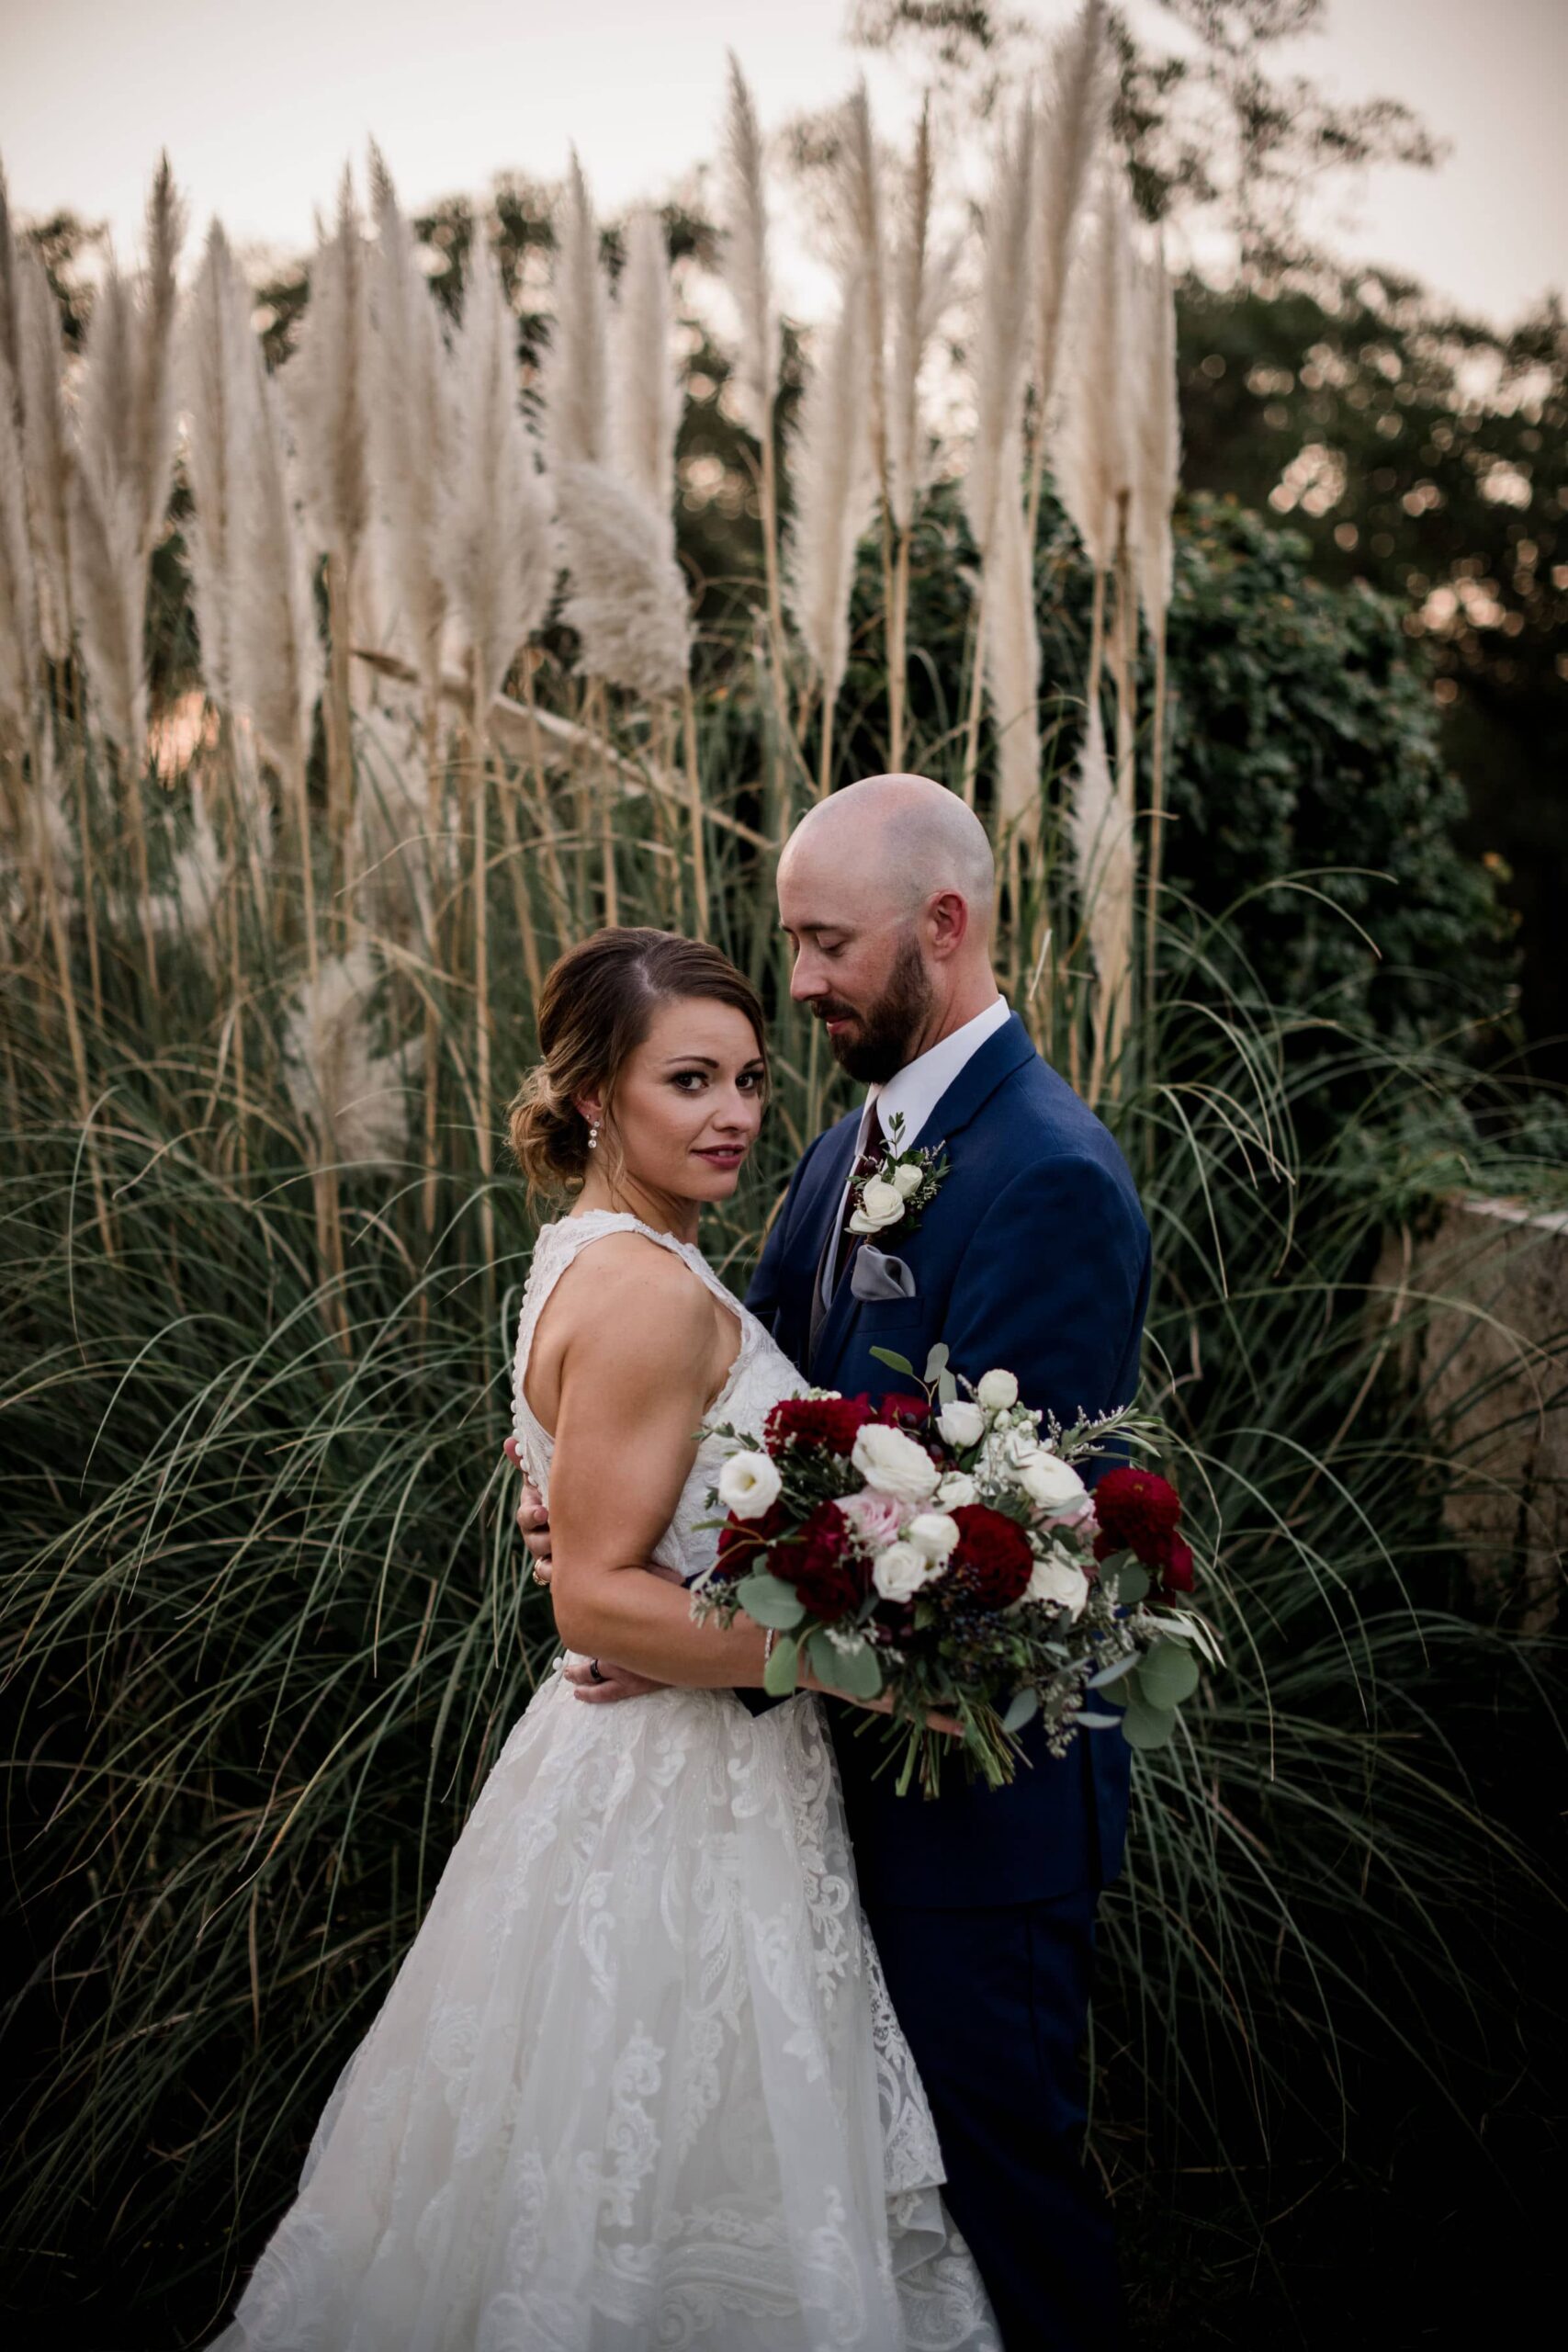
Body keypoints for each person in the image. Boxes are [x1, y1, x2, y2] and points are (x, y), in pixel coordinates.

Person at [209, 926, 998, 2352]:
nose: (737, 1115)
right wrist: (858, 1662)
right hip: (676, 1798)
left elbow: (612, 1538)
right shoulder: (641, 1290)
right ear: (591, 1096)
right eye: (688, 1080)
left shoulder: (600, 1251)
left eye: (751, 1079)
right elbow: (593, 1600)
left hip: (662, 1762)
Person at [518, 777, 1151, 2350]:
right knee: (860, 2209)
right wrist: (615, 1541)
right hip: (804, 1799)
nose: (795, 982)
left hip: (970, 1809)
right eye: (791, 943)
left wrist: (673, 1614)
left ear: (943, 926)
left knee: (1001, 2199)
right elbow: (760, 1440)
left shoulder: (1048, 1172)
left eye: (823, 944)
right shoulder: (836, 1145)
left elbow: (1013, 1550)